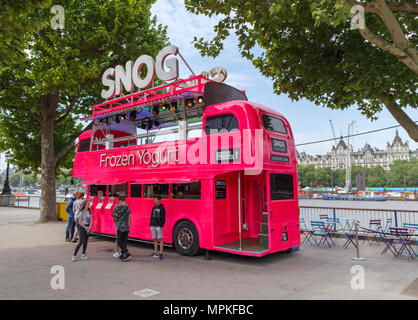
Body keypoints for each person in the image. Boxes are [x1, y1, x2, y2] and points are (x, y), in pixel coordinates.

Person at [112, 194, 131, 262]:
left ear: (120, 200)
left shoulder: (118, 207)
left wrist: (115, 215)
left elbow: (114, 215)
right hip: (126, 226)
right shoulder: (128, 207)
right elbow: (129, 217)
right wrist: (129, 226)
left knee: (119, 241)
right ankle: (123, 255)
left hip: (120, 226)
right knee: (124, 241)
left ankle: (126, 252)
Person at [149, 195, 166, 260]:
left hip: (158, 226)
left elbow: (163, 218)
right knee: (155, 239)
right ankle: (155, 252)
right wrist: (151, 224)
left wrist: (161, 225)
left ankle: (161, 253)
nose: (154, 200)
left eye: (156, 199)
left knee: (160, 239)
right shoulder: (153, 207)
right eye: (154, 199)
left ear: (159, 200)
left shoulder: (162, 208)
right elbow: (151, 216)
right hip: (153, 225)